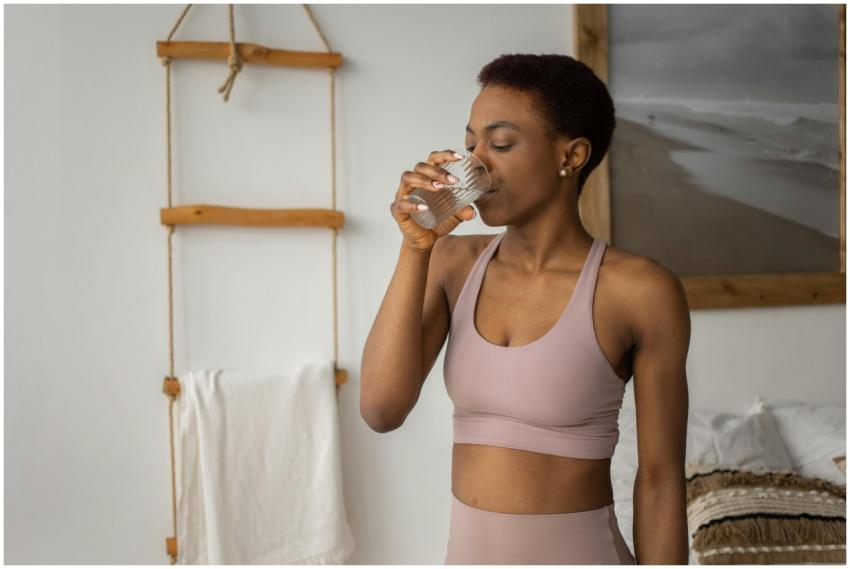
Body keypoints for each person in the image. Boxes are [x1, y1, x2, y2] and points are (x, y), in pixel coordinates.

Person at [361, 53, 691, 564]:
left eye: (500, 144)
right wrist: (415, 247)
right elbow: (381, 410)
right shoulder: (452, 263)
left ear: (571, 156)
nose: (476, 164)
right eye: (471, 144)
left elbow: (660, 480)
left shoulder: (639, 291)